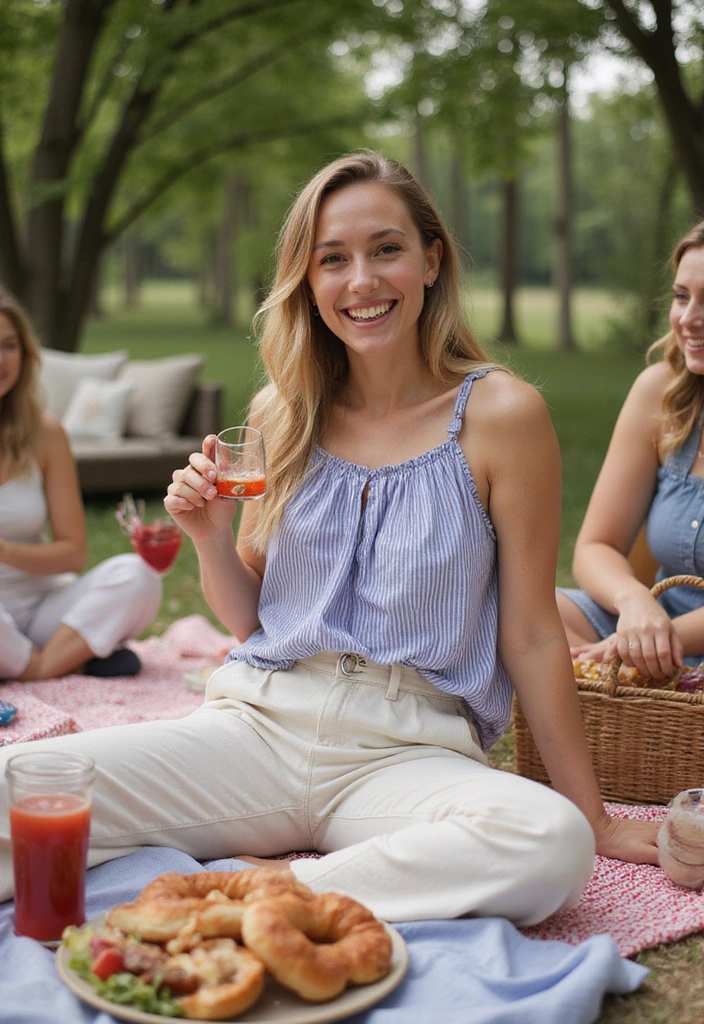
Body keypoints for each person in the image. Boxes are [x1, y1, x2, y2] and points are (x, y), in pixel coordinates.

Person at [0, 152, 658, 923]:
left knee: (550, 842)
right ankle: (302, 885)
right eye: (332, 260)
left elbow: (536, 637)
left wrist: (596, 816)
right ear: (307, 283)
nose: (362, 282)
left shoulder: (502, 415)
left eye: (387, 249)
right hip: (255, 725)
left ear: (432, 260)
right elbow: (249, 622)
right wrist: (210, 539)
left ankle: (256, 894)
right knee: (18, 783)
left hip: (408, 750)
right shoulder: (281, 414)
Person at [557, 221, 704, 682]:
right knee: (521, 613)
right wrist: (634, 601)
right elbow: (595, 546)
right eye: (682, 297)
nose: (688, 318)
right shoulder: (661, 393)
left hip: (664, 639)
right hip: (652, 627)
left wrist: (641, 643)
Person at [0, 291, 162, 680]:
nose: (1, 359)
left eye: (8, 345)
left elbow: (73, 554)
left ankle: (39, 666)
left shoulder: (46, 434)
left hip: (44, 611)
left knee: (138, 575)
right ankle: (76, 659)